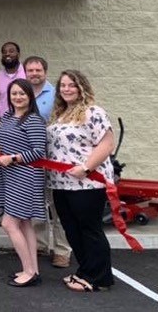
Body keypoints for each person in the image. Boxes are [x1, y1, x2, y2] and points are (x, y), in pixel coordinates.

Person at [47, 70, 115, 293]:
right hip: (61, 183)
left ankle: (99, 278)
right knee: (72, 230)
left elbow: (106, 144)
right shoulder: (60, 114)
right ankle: (85, 271)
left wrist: (86, 167)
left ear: (81, 87)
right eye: (63, 85)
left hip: (87, 183)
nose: (66, 89)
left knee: (89, 229)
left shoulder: (93, 111)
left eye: (72, 85)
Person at [0, 78, 47, 287]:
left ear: (30, 96)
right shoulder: (7, 116)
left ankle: (29, 272)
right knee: (24, 224)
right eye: (14, 93)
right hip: (9, 176)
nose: (17, 97)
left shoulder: (33, 120)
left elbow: (38, 151)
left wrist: (13, 158)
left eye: (22, 93)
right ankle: (33, 269)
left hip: (26, 176)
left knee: (8, 223)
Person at [25, 55, 71, 269]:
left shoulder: (57, 95)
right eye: (30, 70)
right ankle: (39, 244)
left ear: (45, 72)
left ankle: (62, 250)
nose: (34, 74)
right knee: (35, 204)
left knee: (58, 205)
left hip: (54, 158)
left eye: (38, 70)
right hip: (30, 159)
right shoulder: (21, 93)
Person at [0, 42, 26, 125]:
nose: (7, 54)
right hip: (5, 123)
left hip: (26, 121)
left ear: (18, 54)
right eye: (4, 52)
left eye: (11, 51)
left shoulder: (27, 73)